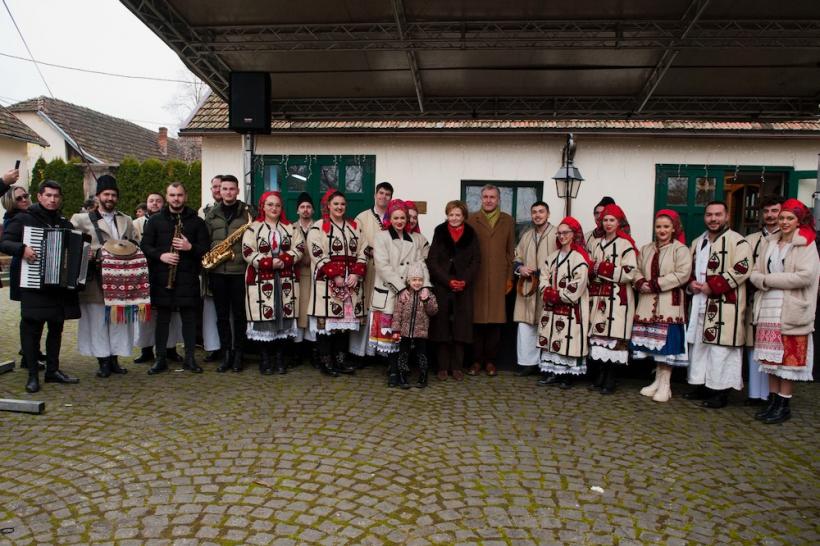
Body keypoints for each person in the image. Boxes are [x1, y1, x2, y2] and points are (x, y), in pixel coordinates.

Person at [0, 180, 80, 393]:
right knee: (32, 329)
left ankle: (53, 370)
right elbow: (5, 242)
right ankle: (33, 374)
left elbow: (75, 247)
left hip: (58, 286)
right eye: (48, 195)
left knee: (56, 328)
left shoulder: (64, 222)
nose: (52, 200)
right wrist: (22, 248)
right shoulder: (24, 218)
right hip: (33, 283)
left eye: (56, 196)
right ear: (40, 196)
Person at [750, 199, 818, 424]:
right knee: (770, 358)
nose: (785, 222)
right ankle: (772, 400)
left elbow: (805, 276)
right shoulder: (770, 242)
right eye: (782, 218)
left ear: (799, 220)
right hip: (768, 304)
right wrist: (762, 279)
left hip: (790, 306)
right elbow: (755, 272)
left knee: (788, 359)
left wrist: (768, 280)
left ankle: (783, 403)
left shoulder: (805, 243)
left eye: (790, 218)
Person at [685, 201, 752, 409]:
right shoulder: (698, 241)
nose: (713, 219)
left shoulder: (738, 241)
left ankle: (720, 391)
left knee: (720, 349)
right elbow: (689, 269)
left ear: (726, 216)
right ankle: (701, 384)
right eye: (709, 215)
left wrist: (713, 286)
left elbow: (743, 268)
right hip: (699, 302)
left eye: (718, 215)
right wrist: (691, 284)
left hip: (724, 304)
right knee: (700, 345)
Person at [71, 175, 139, 378]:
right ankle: (103, 361)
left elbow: (135, 243)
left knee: (118, 319)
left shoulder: (125, 219)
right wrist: (92, 252)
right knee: (98, 320)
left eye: (113, 195)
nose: (110, 198)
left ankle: (115, 359)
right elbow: (75, 244)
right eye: (106, 194)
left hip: (121, 279)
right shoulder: (81, 219)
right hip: (96, 278)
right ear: (98, 196)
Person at [141, 182, 210, 375]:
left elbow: (205, 250)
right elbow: (145, 246)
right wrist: (161, 255)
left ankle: (189, 358)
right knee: (162, 319)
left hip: (187, 277)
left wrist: (190, 248)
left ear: (185, 196)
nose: (176, 199)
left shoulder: (197, 222)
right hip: (163, 277)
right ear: (167, 196)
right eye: (172, 195)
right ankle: (160, 358)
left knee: (189, 319)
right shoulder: (155, 221)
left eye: (179, 195)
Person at [632, 210, 692, 402]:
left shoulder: (680, 250)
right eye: (659, 227)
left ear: (674, 228)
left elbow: (682, 274)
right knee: (654, 346)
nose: (662, 230)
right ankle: (658, 381)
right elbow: (636, 269)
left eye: (666, 226)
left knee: (667, 346)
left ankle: (666, 385)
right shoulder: (646, 249)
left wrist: (657, 284)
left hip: (669, 304)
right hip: (648, 303)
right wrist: (641, 282)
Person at [371, 199, 431, 386]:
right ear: (390, 217)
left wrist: (426, 286)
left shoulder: (413, 239)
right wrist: (401, 287)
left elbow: (420, 265)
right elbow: (383, 266)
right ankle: (393, 372)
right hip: (390, 291)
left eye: (402, 218)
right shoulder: (381, 237)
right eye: (396, 217)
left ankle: (400, 370)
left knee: (402, 337)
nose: (399, 221)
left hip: (409, 293)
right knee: (392, 335)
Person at [306, 190, 367, 376]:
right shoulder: (318, 227)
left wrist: (356, 273)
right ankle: (326, 363)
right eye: (336, 204)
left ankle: (340, 361)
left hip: (350, 283)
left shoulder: (354, 226)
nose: (340, 207)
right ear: (328, 206)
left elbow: (364, 250)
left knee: (343, 325)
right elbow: (316, 252)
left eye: (342, 204)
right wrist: (334, 275)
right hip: (327, 282)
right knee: (327, 325)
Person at [242, 191, 303, 374]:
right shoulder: (253, 228)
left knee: (284, 319)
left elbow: (299, 248)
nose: (274, 208)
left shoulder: (291, 228)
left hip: (286, 278)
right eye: (270, 205)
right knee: (264, 317)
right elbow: (247, 251)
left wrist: (284, 259)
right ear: (263, 207)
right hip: (262, 278)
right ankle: (265, 359)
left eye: (277, 205)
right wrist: (268, 262)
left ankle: (280, 358)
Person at [587, 203, 639, 394]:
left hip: (618, 297)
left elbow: (629, 272)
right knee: (599, 336)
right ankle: (600, 374)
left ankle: (611, 377)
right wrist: (593, 270)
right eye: (605, 220)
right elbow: (588, 268)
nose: (608, 224)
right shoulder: (595, 243)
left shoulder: (626, 244)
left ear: (619, 222)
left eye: (612, 220)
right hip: (599, 296)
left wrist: (601, 269)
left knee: (614, 337)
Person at [205, 174, 254, 372]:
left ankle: (239, 354)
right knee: (222, 316)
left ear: (238, 190)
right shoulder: (211, 213)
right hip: (218, 272)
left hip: (239, 271)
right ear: (219, 191)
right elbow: (206, 240)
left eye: (231, 189)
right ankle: (226, 353)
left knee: (240, 315)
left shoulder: (248, 212)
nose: (227, 192)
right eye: (224, 189)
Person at [427, 200, 480, 381]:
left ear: (464, 216)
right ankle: (442, 367)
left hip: (463, 289)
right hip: (443, 286)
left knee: (460, 328)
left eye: (458, 215)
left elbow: (476, 261)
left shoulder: (471, 233)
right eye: (451, 215)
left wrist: (464, 280)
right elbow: (432, 260)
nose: (454, 218)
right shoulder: (439, 231)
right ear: (447, 215)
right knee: (442, 326)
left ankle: (456, 366)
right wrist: (448, 280)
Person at [537, 217, 591, 388]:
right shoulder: (552, 257)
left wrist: (558, 295)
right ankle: (553, 372)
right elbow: (543, 277)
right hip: (552, 307)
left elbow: (579, 283)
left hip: (571, 308)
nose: (561, 236)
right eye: (559, 233)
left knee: (569, 338)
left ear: (573, 234)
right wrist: (547, 292)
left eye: (565, 232)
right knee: (553, 336)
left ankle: (567, 375)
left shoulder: (579, 258)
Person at [466, 184, 514, 377]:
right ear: (481, 198)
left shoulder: (508, 220)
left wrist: (509, 277)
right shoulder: (471, 219)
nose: (488, 200)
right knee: (477, 322)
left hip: (498, 278)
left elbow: (510, 252)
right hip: (477, 278)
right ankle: (476, 361)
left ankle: (491, 361)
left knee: (495, 323)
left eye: (492, 197)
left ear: (499, 199)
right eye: (485, 197)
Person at [133, 191, 183, 365]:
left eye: (158, 201)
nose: (154, 203)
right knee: (146, 314)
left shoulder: (173, 221)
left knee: (169, 313)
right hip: (143, 272)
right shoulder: (137, 223)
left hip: (165, 272)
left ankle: (170, 349)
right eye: (151, 200)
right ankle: (146, 349)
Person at [743, 195, 784, 406]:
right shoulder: (751, 240)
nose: (770, 216)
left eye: (774, 211)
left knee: (775, 347)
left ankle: (775, 396)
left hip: (780, 302)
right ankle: (755, 393)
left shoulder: (789, 240)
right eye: (766, 212)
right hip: (755, 298)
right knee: (754, 345)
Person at [349, 181, 393, 359]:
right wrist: (372, 251)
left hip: (386, 273)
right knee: (364, 308)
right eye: (381, 193)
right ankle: (360, 352)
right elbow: (357, 242)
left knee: (382, 309)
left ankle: (380, 351)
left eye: (387, 194)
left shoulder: (394, 217)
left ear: (391, 197)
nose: (383, 197)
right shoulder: (362, 217)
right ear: (375, 195)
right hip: (368, 269)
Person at [512, 201, 557, 378]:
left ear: (548, 214)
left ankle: (547, 365)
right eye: (534, 212)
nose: (537, 215)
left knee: (547, 325)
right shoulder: (527, 235)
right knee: (525, 326)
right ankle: (528, 364)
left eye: (541, 211)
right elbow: (517, 256)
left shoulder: (556, 234)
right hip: (528, 285)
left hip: (548, 285)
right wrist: (520, 268)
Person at [391, 262, 438, 388]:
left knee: (421, 354)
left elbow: (433, 311)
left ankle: (423, 376)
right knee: (403, 354)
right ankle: (402, 376)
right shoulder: (404, 295)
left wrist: (427, 300)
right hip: (405, 332)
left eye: (420, 280)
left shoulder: (428, 295)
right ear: (409, 280)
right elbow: (397, 314)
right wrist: (395, 330)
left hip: (420, 331)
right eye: (414, 280)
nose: (417, 283)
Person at [199, 175, 223, 362]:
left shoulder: (241, 210)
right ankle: (213, 347)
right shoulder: (204, 210)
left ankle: (230, 346)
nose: (218, 190)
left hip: (231, 267)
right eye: (214, 186)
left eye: (221, 186)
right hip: (210, 266)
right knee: (209, 309)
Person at [294, 192, 316, 364]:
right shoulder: (292, 228)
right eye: (302, 207)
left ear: (313, 210)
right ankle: (297, 352)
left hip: (315, 276)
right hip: (297, 274)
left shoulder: (319, 228)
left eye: (308, 207)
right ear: (297, 210)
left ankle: (314, 351)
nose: (305, 210)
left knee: (311, 312)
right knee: (298, 311)